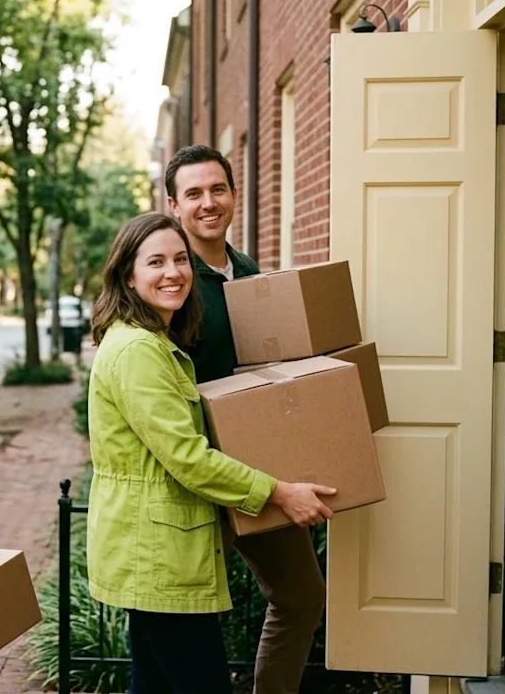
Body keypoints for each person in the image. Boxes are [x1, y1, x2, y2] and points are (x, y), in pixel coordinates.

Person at [85, 211, 336, 694]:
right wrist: (279, 492)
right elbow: (188, 458)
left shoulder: (152, 341)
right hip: (159, 556)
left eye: (180, 259)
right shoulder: (138, 351)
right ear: (129, 277)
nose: (173, 272)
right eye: (155, 262)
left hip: (154, 551)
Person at [164, 144, 328, 694]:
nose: (208, 203)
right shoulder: (171, 281)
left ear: (234, 196)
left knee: (302, 595)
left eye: (217, 189)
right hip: (201, 477)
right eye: (194, 194)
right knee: (191, 617)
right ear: (173, 205)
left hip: (261, 472)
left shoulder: (248, 271)